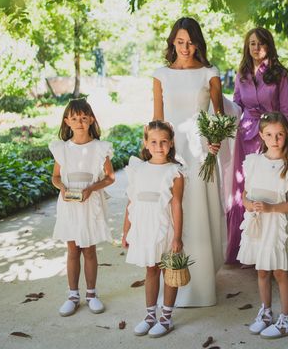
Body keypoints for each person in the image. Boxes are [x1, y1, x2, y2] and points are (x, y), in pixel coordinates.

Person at [226, 27, 288, 269]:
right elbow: (236, 103)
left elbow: (287, 111)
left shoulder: (279, 73)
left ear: (269, 45)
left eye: (261, 43)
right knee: (249, 190)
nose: (256, 48)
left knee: (279, 190)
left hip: (273, 137)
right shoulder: (243, 73)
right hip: (246, 137)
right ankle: (249, 252)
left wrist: (281, 139)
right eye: (252, 43)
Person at [152, 17, 225, 307]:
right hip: (170, 149)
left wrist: (216, 138)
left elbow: (219, 115)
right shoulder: (161, 74)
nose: (185, 47)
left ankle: (202, 285)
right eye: (180, 41)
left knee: (198, 211)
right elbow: (156, 119)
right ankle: (171, 281)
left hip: (200, 150)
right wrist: (155, 154)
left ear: (198, 43)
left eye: (191, 42)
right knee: (172, 212)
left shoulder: (210, 72)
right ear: (172, 42)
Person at [239, 112, 288, 339]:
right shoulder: (254, 162)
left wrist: (272, 209)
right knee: (262, 270)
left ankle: (285, 319)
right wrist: (248, 204)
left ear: (287, 136)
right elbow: (246, 194)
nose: (275, 139)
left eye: (280, 134)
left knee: (280, 271)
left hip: (276, 223)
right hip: (258, 222)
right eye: (269, 134)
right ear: (261, 136)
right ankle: (265, 312)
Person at [48, 99, 115, 317]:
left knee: (89, 249)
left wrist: (91, 188)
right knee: (72, 250)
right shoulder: (63, 149)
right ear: (67, 121)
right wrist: (62, 188)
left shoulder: (99, 148)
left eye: (84, 118)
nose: (79, 122)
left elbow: (110, 177)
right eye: (74, 118)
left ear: (91, 120)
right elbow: (56, 177)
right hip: (69, 204)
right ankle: (73, 295)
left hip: (90, 204)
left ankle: (92, 294)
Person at [122, 120, 185, 338]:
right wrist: (126, 230)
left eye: (164, 142)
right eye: (154, 142)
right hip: (143, 227)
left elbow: (176, 204)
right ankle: (150, 315)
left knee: (169, 271)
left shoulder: (174, 172)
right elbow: (131, 202)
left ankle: (166, 317)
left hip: (164, 226)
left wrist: (177, 236)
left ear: (171, 143)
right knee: (151, 269)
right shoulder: (138, 169)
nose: (159, 146)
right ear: (146, 143)